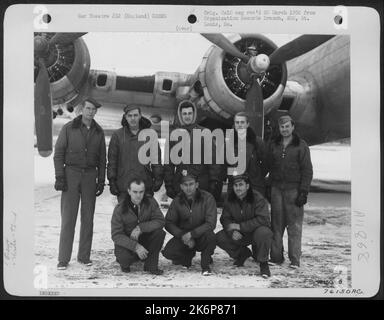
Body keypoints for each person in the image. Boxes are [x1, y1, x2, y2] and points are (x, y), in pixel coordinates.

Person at [53, 98, 106, 270]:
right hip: (71, 175)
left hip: (90, 176)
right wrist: (60, 176)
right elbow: (58, 153)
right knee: (68, 218)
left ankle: (84, 256)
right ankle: (63, 258)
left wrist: (100, 180)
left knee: (88, 218)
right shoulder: (69, 128)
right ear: (81, 110)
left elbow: (102, 159)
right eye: (88, 108)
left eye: (93, 109)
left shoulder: (99, 132)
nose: (90, 112)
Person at [266, 114, 313, 268]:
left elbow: (307, 170)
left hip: (294, 190)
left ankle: (295, 260)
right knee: (276, 225)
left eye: (287, 126)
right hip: (276, 190)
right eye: (282, 127)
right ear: (279, 129)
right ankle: (276, 257)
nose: (284, 129)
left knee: (294, 227)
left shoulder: (301, 145)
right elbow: (269, 166)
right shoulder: (274, 144)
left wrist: (303, 192)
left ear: (293, 127)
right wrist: (268, 186)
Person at [163, 100, 222, 201]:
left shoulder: (205, 133)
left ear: (194, 114)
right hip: (181, 184)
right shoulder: (173, 135)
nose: (187, 116)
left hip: (201, 184)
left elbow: (213, 160)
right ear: (180, 115)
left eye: (190, 113)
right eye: (184, 113)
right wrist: (168, 184)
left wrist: (213, 182)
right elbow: (169, 163)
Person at [216, 173, 272, 278]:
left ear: (247, 186)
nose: (238, 188)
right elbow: (225, 219)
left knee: (265, 233)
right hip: (239, 234)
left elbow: (263, 219)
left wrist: (240, 226)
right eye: (235, 185)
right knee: (219, 237)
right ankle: (242, 254)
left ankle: (263, 264)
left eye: (241, 185)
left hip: (256, 232)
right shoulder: (229, 199)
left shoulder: (258, 198)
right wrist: (232, 231)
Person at [162, 170, 217, 275]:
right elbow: (169, 222)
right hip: (184, 236)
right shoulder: (177, 200)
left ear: (197, 184)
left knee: (211, 237)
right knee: (168, 252)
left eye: (191, 184)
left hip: (202, 234)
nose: (188, 187)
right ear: (181, 186)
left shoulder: (208, 198)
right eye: (185, 185)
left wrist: (192, 234)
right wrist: (182, 235)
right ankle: (187, 255)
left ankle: (205, 265)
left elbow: (211, 223)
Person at [107, 105, 163, 202]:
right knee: (125, 216)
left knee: (144, 216)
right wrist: (111, 180)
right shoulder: (118, 135)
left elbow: (156, 159)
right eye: (130, 115)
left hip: (144, 186)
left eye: (135, 115)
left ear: (140, 116)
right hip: (124, 186)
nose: (133, 118)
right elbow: (112, 161)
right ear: (125, 117)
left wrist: (158, 178)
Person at [111, 178, 166, 275]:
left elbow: (160, 221)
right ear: (129, 191)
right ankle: (128, 258)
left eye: (141, 192)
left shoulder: (150, 202)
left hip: (145, 238)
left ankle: (151, 265)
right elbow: (116, 235)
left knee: (159, 233)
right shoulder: (120, 208)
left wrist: (141, 227)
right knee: (125, 260)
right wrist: (135, 246)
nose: (138, 195)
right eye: (135, 192)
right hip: (128, 241)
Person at [226, 111, 267, 196]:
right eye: (237, 122)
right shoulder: (228, 143)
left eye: (242, 122)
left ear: (247, 124)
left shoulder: (258, 142)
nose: (240, 125)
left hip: (254, 186)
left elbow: (267, 162)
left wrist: (257, 175)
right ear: (234, 124)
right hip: (235, 185)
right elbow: (223, 165)